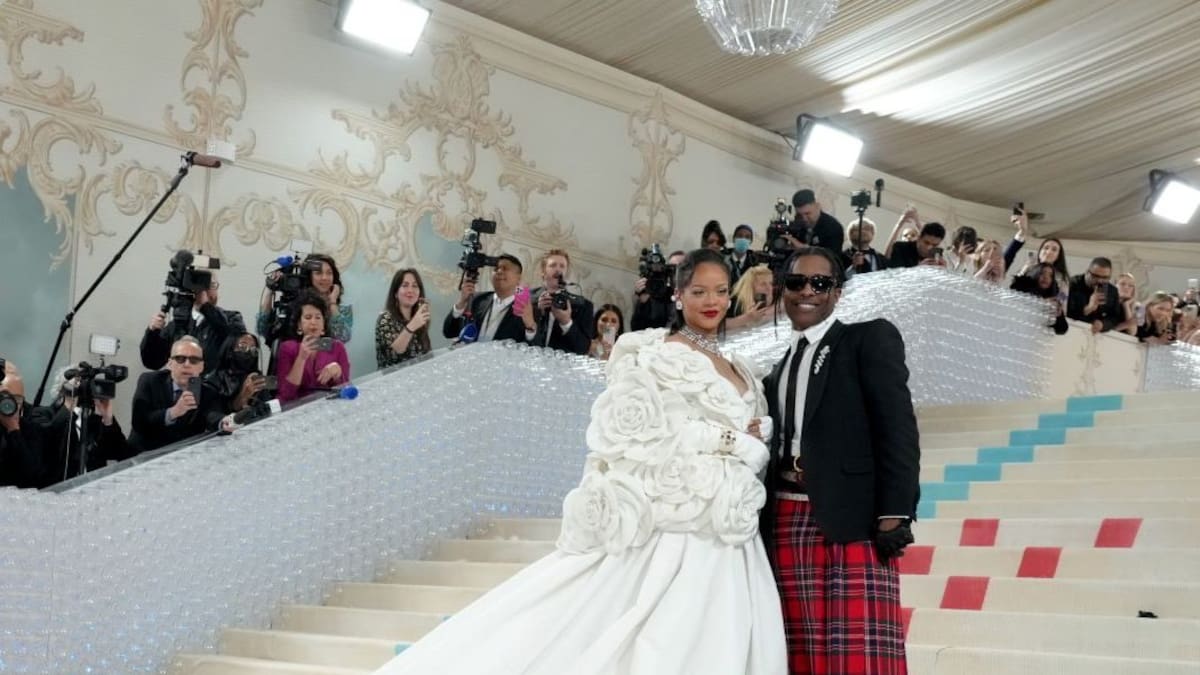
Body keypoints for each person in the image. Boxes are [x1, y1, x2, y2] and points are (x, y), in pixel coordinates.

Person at [374, 249, 787, 674]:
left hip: (731, 522)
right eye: (699, 291)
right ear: (678, 295)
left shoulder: (738, 364)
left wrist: (758, 432)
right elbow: (661, 432)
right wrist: (735, 441)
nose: (711, 301)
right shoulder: (660, 352)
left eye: (720, 291)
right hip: (678, 522)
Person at [763, 246, 919, 674]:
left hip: (854, 519)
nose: (807, 292)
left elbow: (898, 429)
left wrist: (894, 513)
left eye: (820, 283)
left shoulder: (867, 339)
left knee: (859, 658)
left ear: (837, 292)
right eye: (796, 282)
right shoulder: (776, 368)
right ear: (782, 289)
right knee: (801, 652)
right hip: (786, 519)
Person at [30, 367, 136, 486]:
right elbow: (46, 445)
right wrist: (68, 404)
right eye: (76, 386)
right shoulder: (42, 414)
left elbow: (124, 455)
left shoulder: (95, 422)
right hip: (56, 490)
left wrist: (108, 419)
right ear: (61, 390)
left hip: (93, 491)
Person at [128, 336, 227, 452]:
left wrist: (224, 422)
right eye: (180, 359)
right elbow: (139, 422)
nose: (187, 364)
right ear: (169, 364)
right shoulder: (150, 381)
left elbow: (213, 415)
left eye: (194, 360)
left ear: (201, 367)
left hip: (181, 454)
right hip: (143, 452)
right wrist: (173, 412)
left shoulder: (208, 392)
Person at [141, 274, 245, 375]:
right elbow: (152, 362)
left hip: (214, 385)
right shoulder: (178, 323)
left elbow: (236, 344)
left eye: (211, 285)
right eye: (201, 285)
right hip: (181, 384)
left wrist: (205, 307)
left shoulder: (232, 318)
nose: (205, 291)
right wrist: (153, 332)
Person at [258, 253, 353, 344]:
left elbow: (343, 337)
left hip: (326, 355)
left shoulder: (343, 310)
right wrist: (271, 289)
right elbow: (262, 329)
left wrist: (332, 302)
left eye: (329, 273)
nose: (324, 278)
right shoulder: (295, 305)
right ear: (309, 276)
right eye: (318, 273)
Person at [275, 291, 350, 403]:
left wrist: (338, 374)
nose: (313, 322)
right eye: (308, 317)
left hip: (329, 405)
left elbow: (347, 392)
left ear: (323, 326)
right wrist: (301, 358)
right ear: (299, 325)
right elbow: (286, 394)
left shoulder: (337, 347)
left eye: (318, 317)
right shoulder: (287, 348)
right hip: (296, 407)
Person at [443, 254, 536, 344]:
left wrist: (530, 327)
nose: (499, 271)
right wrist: (461, 303)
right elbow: (449, 332)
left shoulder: (528, 309)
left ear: (519, 278)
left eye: (505, 268)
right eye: (495, 269)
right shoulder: (477, 299)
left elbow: (535, 347)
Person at [531, 249, 595, 355]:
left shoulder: (583, 306)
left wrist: (566, 322)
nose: (558, 269)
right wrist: (537, 312)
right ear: (543, 271)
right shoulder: (527, 298)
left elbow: (583, 348)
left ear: (567, 273)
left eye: (562, 266)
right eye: (553, 265)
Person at [377, 269, 433, 369]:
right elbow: (395, 354)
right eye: (405, 285)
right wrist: (412, 326)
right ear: (395, 293)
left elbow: (427, 352)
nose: (410, 290)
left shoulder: (419, 317)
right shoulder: (385, 319)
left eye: (415, 286)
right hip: (395, 377)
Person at [0, 359, 43, 488]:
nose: (9, 404)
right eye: (3, 397)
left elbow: (31, 474)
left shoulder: (30, 429)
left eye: (16, 399)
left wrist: (13, 429)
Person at [206, 333, 268, 415]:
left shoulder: (254, 376)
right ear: (230, 351)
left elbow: (266, 405)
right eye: (243, 347)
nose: (248, 352)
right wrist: (244, 396)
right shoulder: (214, 380)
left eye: (253, 350)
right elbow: (216, 416)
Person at [632, 249, 686, 331]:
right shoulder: (657, 294)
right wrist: (642, 303)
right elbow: (637, 329)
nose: (676, 272)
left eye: (681, 268)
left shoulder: (695, 296)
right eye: (672, 268)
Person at [1067, 257, 1123, 333]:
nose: (1100, 281)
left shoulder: (1112, 291)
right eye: (1095, 276)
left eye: (1105, 278)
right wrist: (1089, 308)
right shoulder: (1072, 284)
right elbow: (1068, 314)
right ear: (1087, 272)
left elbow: (1115, 318)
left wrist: (1103, 324)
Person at [1010, 263, 1069, 335]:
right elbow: (1016, 303)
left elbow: (1062, 329)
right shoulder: (1021, 287)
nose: (1046, 277)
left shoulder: (1052, 300)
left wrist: (1059, 315)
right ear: (1035, 273)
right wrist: (1041, 303)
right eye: (1042, 273)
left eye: (1050, 275)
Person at [785, 189, 843, 255]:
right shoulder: (797, 223)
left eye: (807, 213)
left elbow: (833, 256)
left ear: (818, 206)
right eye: (799, 215)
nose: (804, 219)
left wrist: (805, 249)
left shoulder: (833, 227)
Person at [726, 264, 775, 330]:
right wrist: (747, 318)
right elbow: (719, 325)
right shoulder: (733, 301)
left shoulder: (763, 298)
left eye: (771, 283)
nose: (769, 288)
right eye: (763, 284)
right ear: (750, 285)